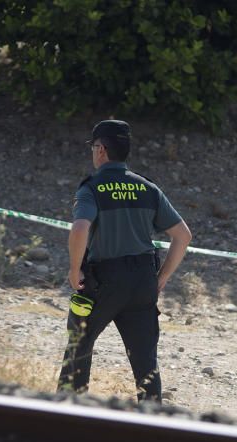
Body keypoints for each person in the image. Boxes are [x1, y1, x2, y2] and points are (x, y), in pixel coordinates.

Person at [57, 120, 192, 402]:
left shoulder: (91, 188)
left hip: (103, 281)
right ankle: (151, 419)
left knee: (79, 346)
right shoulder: (147, 188)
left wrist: (73, 268)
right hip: (143, 280)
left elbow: (80, 228)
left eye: (94, 147)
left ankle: (68, 413)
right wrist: (162, 277)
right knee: (145, 361)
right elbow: (183, 235)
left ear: (102, 150)